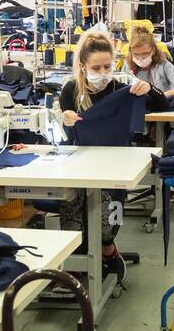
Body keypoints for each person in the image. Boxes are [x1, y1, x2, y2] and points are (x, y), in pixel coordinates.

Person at [58, 31, 167, 282]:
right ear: (83, 66)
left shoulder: (120, 89)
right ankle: (76, 260)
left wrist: (149, 89)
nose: (103, 71)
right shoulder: (72, 91)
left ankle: (108, 248)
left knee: (111, 214)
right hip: (80, 160)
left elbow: (163, 106)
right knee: (73, 208)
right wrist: (65, 117)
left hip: (116, 163)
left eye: (107, 66)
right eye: (96, 67)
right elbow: (66, 128)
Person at [124, 26, 174, 100]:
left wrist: (160, 96)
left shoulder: (164, 65)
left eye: (145, 53)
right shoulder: (127, 67)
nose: (140, 58)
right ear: (130, 52)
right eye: (136, 54)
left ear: (153, 50)